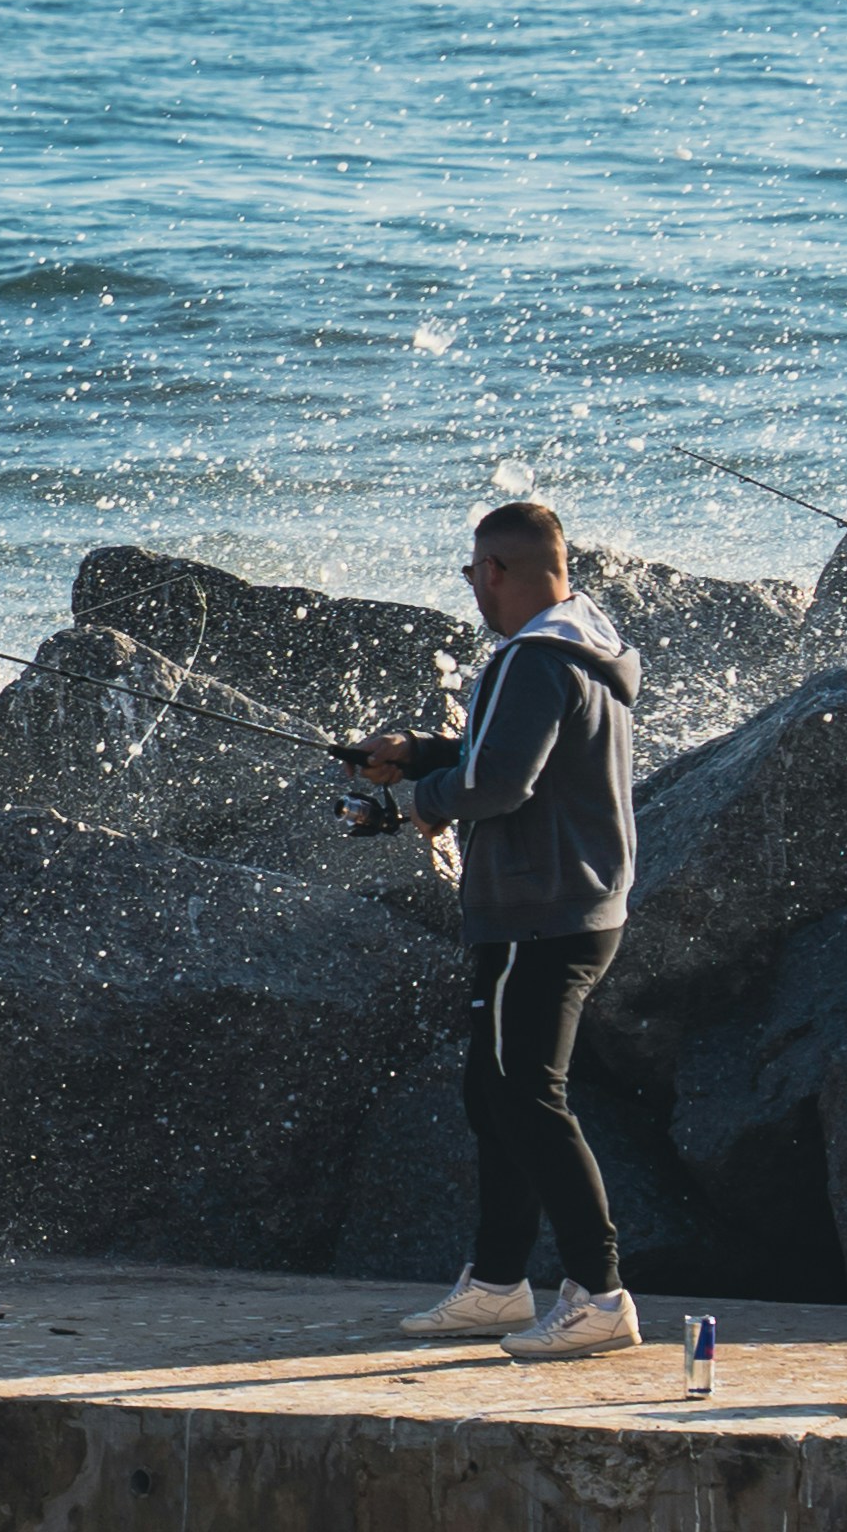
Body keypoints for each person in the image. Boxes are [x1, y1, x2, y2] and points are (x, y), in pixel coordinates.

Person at [350, 499, 647, 1360]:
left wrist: (415, 805)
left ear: (498, 572)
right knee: (493, 1094)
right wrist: (418, 751)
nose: (471, 590)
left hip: (536, 914)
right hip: (576, 904)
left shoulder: (529, 660)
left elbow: (500, 786)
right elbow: (506, 754)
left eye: (474, 573)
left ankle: (600, 1294)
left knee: (526, 1094)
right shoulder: (582, 645)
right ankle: (495, 1286)